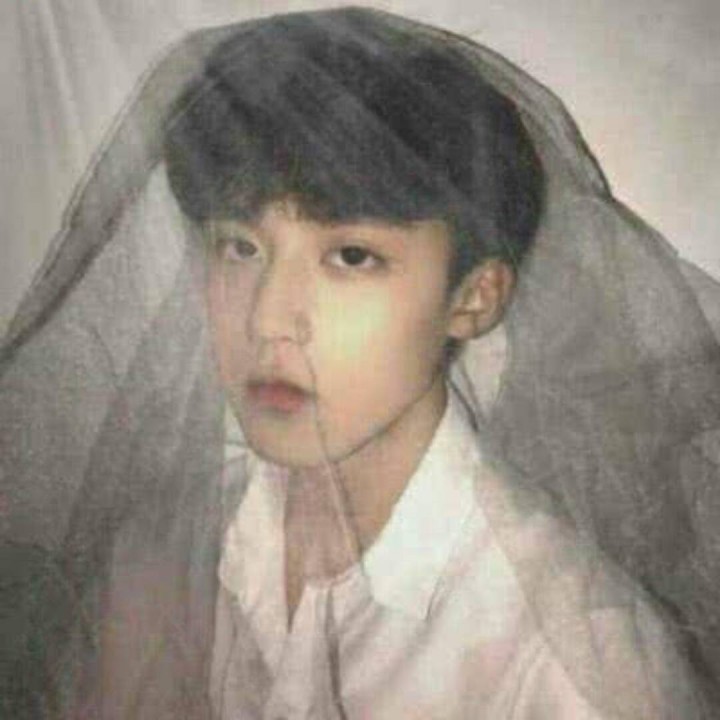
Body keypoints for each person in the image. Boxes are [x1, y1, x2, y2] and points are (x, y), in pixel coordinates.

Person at [2, 7, 720, 719]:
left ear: (473, 297)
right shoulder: (162, 554)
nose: (267, 319)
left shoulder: (573, 671)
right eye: (240, 246)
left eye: (351, 256)